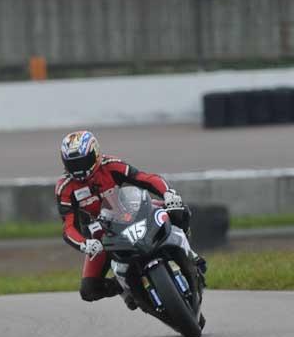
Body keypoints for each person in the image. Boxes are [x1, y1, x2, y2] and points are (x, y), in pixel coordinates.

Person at [55, 130, 206, 305]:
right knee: (89, 290)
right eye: (73, 164)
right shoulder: (64, 187)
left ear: (95, 154)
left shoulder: (110, 165)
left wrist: (168, 193)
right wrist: (85, 244)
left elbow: (145, 178)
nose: (79, 169)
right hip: (101, 236)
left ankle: (190, 254)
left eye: (83, 162)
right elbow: (68, 227)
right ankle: (127, 288)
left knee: (179, 209)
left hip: (130, 214)